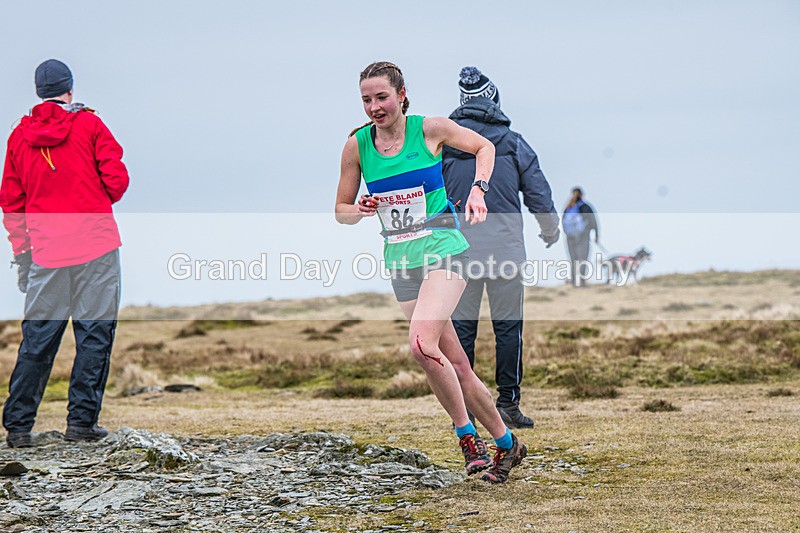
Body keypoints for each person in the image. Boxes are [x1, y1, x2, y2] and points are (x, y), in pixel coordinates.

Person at [335, 61, 527, 483]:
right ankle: (509, 444)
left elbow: (485, 148)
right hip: (401, 262)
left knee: (421, 346)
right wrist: (361, 210)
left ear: (402, 95)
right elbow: (340, 212)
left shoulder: (431, 130)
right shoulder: (357, 147)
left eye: (381, 97)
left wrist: (479, 191)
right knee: (454, 363)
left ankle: (466, 439)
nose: (374, 107)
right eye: (366, 100)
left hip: (444, 252)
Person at [1, 59, 129, 447]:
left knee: (38, 338)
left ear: (40, 93)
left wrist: (23, 254)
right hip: (96, 247)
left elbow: (11, 201)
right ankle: (81, 425)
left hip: (47, 253)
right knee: (94, 334)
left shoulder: (18, 138)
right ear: (69, 90)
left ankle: (19, 428)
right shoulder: (90, 125)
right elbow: (118, 182)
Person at [443, 67, 560, 429]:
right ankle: (508, 403)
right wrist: (550, 229)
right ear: (493, 99)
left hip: (458, 249)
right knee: (508, 328)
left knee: (462, 330)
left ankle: (467, 409)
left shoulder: (445, 144)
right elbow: (538, 192)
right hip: (506, 251)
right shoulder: (513, 142)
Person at [562, 187, 598, 287]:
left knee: (573, 260)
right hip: (583, 238)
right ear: (582, 195)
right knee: (583, 259)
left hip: (570, 238)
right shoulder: (586, 207)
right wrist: (596, 234)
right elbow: (593, 221)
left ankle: (574, 282)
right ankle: (582, 282)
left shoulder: (568, 208)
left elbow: (563, 223)